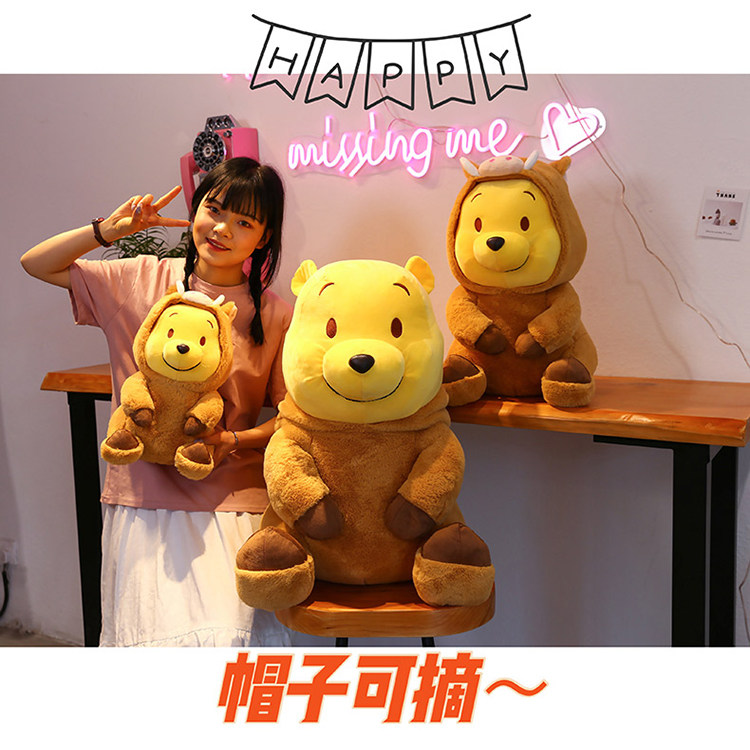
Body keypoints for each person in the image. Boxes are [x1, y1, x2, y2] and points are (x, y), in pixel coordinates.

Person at [21, 157, 294, 647]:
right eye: (214, 209)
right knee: (152, 646)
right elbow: (35, 263)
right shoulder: (141, 280)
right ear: (196, 208)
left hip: (233, 501)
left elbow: (292, 417)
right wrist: (106, 231)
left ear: (263, 238)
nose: (222, 229)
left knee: (231, 645)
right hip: (143, 496)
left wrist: (232, 440)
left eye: (244, 222)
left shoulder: (273, 314)